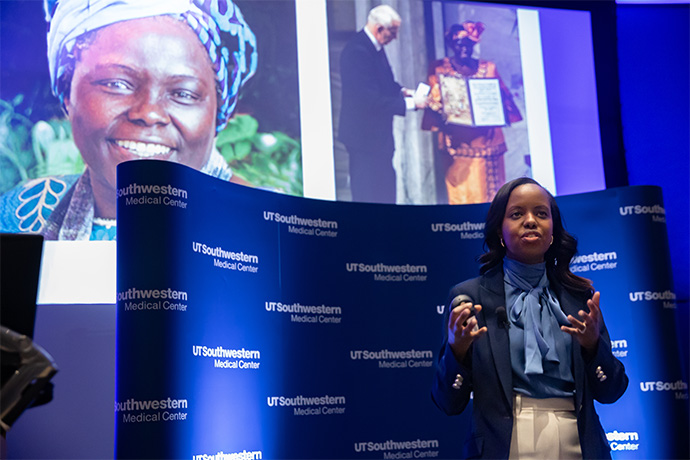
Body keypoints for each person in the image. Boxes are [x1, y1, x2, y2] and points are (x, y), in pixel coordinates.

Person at [0, 0, 257, 240]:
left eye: (183, 93)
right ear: (67, 93)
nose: (149, 113)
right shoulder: (19, 219)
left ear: (219, 112)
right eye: (117, 84)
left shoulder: (267, 235)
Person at [432, 177, 628, 459]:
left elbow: (612, 390)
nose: (530, 221)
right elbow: (447, 402)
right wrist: (457, 352)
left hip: (578, 442)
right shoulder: (469, 298)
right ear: (500, 230)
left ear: (552, 232)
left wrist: (593, 347)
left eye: (541, 213)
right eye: (516, 214)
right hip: (503, 445)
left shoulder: (580, 298)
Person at [422, 22, 522, 205]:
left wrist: (499, 107)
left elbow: (505, 100)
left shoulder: (488, 67)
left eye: (468, 43)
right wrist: (440, 110)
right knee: (463, 201)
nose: (464, 48)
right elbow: (433, 101)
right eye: (459, 43)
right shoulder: (439, 69)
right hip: (458, 145)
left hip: (488, 142)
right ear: (451, 44)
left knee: (493, 204)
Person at [338, 5, 424, 204]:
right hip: (364, 141)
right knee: (368, 197)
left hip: (379, 139)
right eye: (393, 32)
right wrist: (411, 104)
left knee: (385, 194)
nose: (395, 38)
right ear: (379, 29)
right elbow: (369, 100)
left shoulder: (374, 47)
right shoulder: (357, 51)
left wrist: (403, 91)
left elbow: (383, 82)